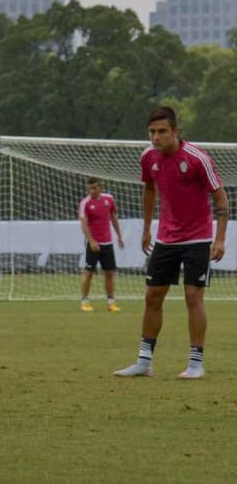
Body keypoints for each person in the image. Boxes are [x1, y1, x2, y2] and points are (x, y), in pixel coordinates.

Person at [114, 105, 228, 380]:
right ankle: (144, 361)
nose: (156, 137)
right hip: (166, 238)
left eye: (162, 131)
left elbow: (221, 199)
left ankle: (196, 363)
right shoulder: (148, 157)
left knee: (193, 296)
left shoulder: (197, 158)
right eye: (152, 132)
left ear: (176, 131)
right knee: (152, 296)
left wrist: (220, 239)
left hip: (198, 237)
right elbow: (150, 189)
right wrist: (146, 229)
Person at [78, 177, 124, 312]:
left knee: (109, 273)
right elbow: (84, 223)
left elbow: (114, 218)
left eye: (94, 188)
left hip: (107, 243)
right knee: (89, 273)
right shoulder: (85, 203)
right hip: (93, 244)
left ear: (100, 188)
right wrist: (91, 241)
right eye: (89, 188)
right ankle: (84, 302)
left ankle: (111, 302)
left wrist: (120, 236)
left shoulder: (109, 199)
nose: (91, 191)